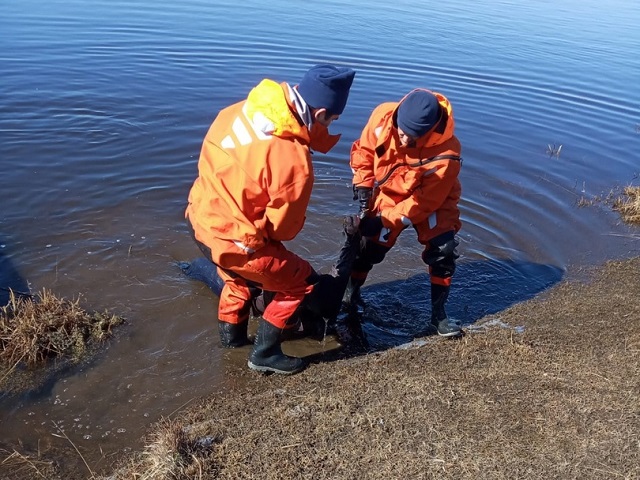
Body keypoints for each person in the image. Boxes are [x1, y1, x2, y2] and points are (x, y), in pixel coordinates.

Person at [185, 64, 356, 375]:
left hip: (198, 218)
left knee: (238, 279)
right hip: (234, 240)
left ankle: (232, 340)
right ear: (320, 115)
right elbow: (284, 229)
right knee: (299, 282)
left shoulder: (237, 111)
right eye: (332, 119)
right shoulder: (294, 161)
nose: (331, 125)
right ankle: (264, 353)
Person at [344, 88, 463, 337]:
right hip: (391, 192)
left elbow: (424, 203)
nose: (406, 142)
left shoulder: (446, 154)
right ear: (397, 119)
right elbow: (364, 152)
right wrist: (364, 186)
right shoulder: (382, 117)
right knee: (369, 247)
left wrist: (386, 219)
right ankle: (350, 297)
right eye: (402, 134)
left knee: (443, 249)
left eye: (414, 138)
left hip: (433, 199)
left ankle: (438, 316)